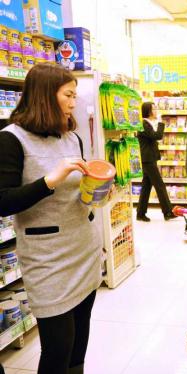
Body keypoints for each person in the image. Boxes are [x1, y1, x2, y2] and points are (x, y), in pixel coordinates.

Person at [0, 64, 100, 373]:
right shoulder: (10, 140)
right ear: (45, 96)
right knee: (58, 348)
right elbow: (3, 202)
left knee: (79, 345)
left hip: (83, 249)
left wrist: (95, 191)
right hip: (48, 260)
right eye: (68, 95)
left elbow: (77, 193)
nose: (74, 102)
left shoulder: (70, 137)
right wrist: (49, 181)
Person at [136, 102, 176, 221]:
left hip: (149, 158)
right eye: (154, 109)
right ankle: (168, 211)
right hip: (148, 159)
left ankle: (140, 213)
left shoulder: (145, 123)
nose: (156, 110)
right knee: (159, 185)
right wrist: (160, 123)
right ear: (148, 111)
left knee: (146, 186)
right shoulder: (143, 124)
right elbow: (157, 136)